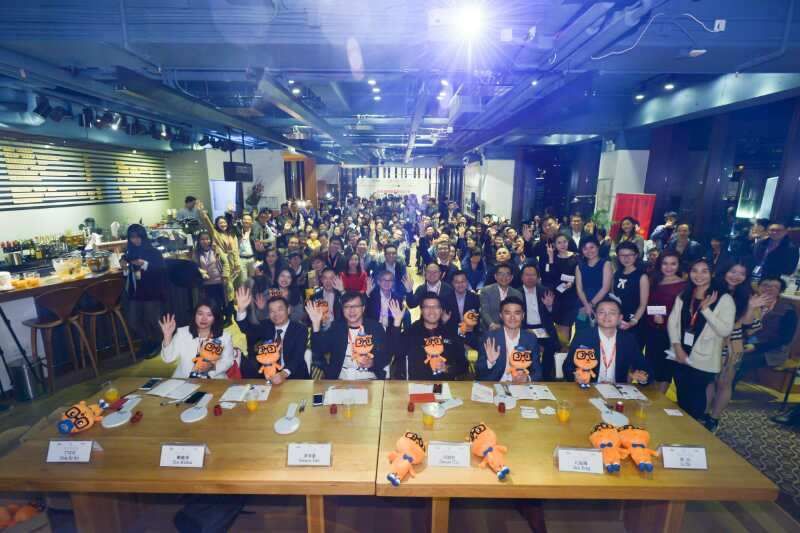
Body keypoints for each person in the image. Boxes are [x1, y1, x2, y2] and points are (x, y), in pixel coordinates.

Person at [668, 259, 735, 420]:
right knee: (682, 394)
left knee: (696, 397)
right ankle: (681, 427)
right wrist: (677, 347)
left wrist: (706, 310)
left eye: (704, 271)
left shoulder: (723, 298)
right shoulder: (685, 294)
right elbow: (673, 322)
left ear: (712, 273)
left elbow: (725, 330)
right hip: (681, 352)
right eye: (695, 271)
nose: (699, 275)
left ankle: (693, 428)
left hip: (704, 357)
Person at [705, 262, 763, 431]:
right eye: (733, 271)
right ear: (725, 271)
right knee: (708, 380)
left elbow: (749, 325)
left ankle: (714, 418)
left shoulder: (748, 295)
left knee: (724, 382)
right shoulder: (713, 288)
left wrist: (751, 307)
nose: (736, 276)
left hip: (732, 343)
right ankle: (704, 412)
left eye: (741, 273)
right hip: (710, 340)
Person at [564, 298, 651, 385]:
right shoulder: (583, 337)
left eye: (612, 313)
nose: (606, 316)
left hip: (617, 390)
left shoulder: (628, 339)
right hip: (589, 388)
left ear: (620, 318)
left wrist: (643, 377)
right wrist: (576, 376)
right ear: (595, 316)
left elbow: (644, 368)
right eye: (602, 312)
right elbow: (568, 367)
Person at [306, 291, 390, 380]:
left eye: (356, 306)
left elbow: (386, 356)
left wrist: (373, 362)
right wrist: (316, 324)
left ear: (363, 308)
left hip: (370, 379)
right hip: (341, 380)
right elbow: (318, 351)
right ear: (342, 309)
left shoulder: (375, 328)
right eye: (347, 307)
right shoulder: (336, 328)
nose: (351, 310)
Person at [234, 288, 309, 382]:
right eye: (272, 311)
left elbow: (297, 357)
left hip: (295, 377)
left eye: (280, 309)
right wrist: (241, 310)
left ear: (288, 310)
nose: (276, 314)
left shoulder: (300, 329)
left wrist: (283, 373)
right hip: (269, 376)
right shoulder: (266, 326)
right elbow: (247, 330)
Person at [390, 294, 468, 380]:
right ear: (421, 310)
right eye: (427, 307)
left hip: (444, 384)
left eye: (436, 307)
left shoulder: (450, 333)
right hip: (417, 383)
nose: (432, 311)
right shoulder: (412, 331)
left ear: (441, 310)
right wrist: (397, 323)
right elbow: (396, 351)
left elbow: (463, 365)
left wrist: (447, 368)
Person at [736, 277, 798, 378]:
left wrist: (756, 347)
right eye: (765, 285)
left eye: (775, 287)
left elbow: (784, 339)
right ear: (758, 287)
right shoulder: (750, 304)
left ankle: (728, 385)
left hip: (772, 351)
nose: (769, 288)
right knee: (726, 356)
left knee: (740, 363)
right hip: (745, 343)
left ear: (780, 291)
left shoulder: (788, 311)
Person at [644, 251, 686, 393]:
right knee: (651, 366)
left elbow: (683, 312)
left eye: (673, 264)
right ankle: (650, 397)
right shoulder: (654, 280)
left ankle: (659, 400)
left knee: (665, 369)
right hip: (652, 330)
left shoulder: (683, 285)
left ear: (679, 265)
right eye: (665, 263)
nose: (669, 267)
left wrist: (666, 317)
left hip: (670, 333)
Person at [122, 224, 166, 358]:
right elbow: (127, 275)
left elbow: (161, 270)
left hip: (152, 292)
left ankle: (158, 344)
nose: (135, 240)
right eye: (132, 237)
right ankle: (147, 342)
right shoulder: (129, 253)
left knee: (153, 320)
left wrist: (144, 264)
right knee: (134, 321)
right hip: (136, 292)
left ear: (143, 236)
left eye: (138, 237)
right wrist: (125, 268)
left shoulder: (153, 252)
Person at [159, 302, 233, 379]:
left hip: (214, 380)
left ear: (215, 318)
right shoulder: (182, 333)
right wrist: (167, 336)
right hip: (186, 380)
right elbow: (168, 359)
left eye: (209, 315)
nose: (204, 318)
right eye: (200, 314)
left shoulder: (224, 337)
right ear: (194, 315)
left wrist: (212, 367)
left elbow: (228, 361)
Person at [476, 296, 542, 382]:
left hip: (520, 386)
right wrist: (489, 362)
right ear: (501, 315)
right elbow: (479, 371)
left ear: (523, 315)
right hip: (495, 384)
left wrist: (527, 378)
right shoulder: (490, 337)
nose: (512, 317)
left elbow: (537, 371)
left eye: (517, 313)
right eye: (507, 313)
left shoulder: (530, 338)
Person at [197, 201, 240, 320]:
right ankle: (229, 314)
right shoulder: (215, 234)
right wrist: (203, 213)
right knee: (227, 290)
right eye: (220, 223)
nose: (223, 224)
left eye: (224, 222)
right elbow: (208, 225)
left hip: (234, 264)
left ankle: (232, 311)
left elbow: (236, 250)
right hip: (223, 264)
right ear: (217, 224)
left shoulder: (232, 234)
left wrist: (237, 263)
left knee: (232, 290)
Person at [518, 264, 559, 380]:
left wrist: (550, 306)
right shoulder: (516, 292)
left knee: (551, 346)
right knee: (525, 346)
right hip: (525, 328)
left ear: (537, 277)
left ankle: (546, 378)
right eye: (527, 275)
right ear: (522, 277)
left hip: (543, 328)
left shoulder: (545, 291)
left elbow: (555, 315)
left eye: (533, 275)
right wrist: (525, 330)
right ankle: (527, 375)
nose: (530, 277)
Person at [542, 234, 578, 348]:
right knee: (558, 325)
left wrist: (572, 283)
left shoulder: (576, 257)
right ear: (554, 245)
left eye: (564, 241)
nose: (562, 245)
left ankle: (564, 349)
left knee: (566, 325)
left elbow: (580, 276)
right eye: (559, 242)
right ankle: (561, 349)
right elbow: (549, 277)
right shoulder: (552, 258)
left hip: (571, 297)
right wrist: (551, 257)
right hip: (556, 296)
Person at [612, 241, 650, 347]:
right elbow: (613, 296)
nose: (626, 258)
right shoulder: (617, 274)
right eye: (622, 255)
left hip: (635, 321)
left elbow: (643, 304)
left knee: (633, 351)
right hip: (618, 320)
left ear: (636, 256)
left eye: (630, 255)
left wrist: (632, 322)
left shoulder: (642, 276)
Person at [575, 236, 613, 337]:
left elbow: (605, 288)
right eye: (585, 248)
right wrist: (586, 305)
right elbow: (579, 288)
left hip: (602, 304)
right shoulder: (579, 267)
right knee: (581, 330)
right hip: (582, 304)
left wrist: (591, 305)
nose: (589, 251)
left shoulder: (606, 264)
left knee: (600, 333)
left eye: (592, 247)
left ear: (598, 247)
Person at [193, 230, 226, 321]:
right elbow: (195, 266)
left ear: (210, 240)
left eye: (207, 239)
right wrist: (202, 272)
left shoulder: (216, 249)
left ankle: (220, 320)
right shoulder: (196, 252)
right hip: (206, 283)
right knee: (209, 304)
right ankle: (213, 320)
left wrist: (225, 275)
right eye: (202, 239)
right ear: (199, 241)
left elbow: (225, 263)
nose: (205, 241)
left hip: (218, 281)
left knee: (219, 302)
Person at [479, 263, 523, 332]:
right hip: (491, 329)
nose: (504, 277)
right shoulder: (486, 291)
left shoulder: (517, 294)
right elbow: (484, 311)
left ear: (511, 277)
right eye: (501, 274)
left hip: (511, 329)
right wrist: (492, 324)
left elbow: (519, 314)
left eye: (507, 274)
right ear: (495, 276)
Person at [237, 213, 257, 284]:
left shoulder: (255, 232)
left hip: (252, 259)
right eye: (245, 219)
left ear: (252, 221)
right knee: (243, 280)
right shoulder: (238, 231)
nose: (246, 221)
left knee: (253, 280)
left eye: (248, 219)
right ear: (242, 221)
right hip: (241, 259)